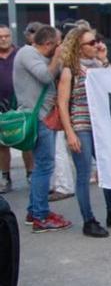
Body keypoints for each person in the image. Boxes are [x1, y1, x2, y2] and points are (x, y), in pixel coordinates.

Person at [57, 26, 111, 237]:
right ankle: (88, 220)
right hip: (81, 125)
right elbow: (63, 104)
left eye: (97, 41)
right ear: (79, 47)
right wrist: (70, 132)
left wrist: (104, 59)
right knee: (83, 174)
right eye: (91, 43)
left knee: (108, 169)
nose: (96, 45)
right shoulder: (70, 70)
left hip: (102, 127)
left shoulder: (98, 66)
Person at [13, 25, 72, 232]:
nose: (59, 47)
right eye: (56, 44)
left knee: (43, 166)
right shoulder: (28, 53)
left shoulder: (35, 55)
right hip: (38, 118)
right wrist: (56, 57)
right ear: (48, 44)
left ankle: (34, 210)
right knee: (44, 167)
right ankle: (40, 215)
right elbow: (45, 76)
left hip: (44, 117)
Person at [0, 24, 34, 192]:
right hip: (1, 106)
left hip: (21, 103)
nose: (4, 39)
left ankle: (31, 174)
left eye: (6, 36)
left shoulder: (21, 54)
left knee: (25, 141)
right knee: (2, 144)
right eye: (0, 37)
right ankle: (5, 177)